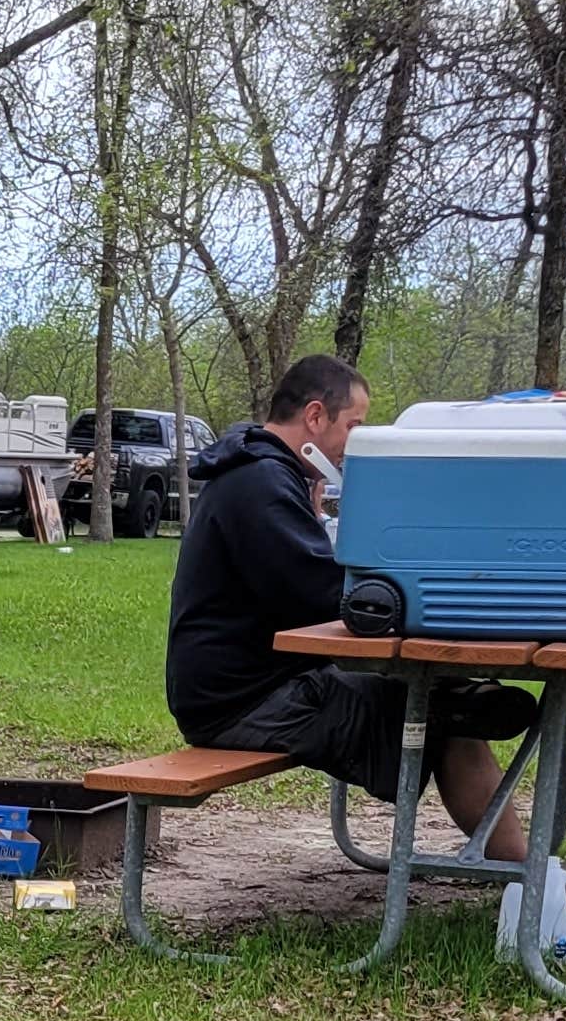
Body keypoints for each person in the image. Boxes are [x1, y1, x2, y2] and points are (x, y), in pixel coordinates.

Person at [167, 353, 535, 863]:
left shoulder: (261, 472)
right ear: (315, 417)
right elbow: (327, 594)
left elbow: (318, 586)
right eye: (355, 426)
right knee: (442, 718)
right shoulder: (260, 483)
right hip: (241, 702)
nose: (357, 443)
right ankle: (522, 877)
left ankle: (516, 861)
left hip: (258, 683)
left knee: (442, 708)